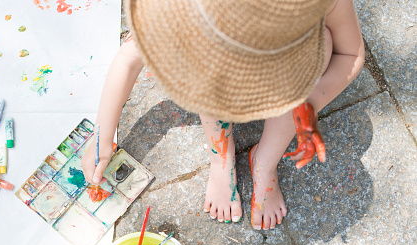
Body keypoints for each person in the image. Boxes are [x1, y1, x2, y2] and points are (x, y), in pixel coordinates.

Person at [82, 0, 365, 230]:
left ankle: (265, 161)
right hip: (215, 63)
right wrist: (102, 136)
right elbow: (128, 59)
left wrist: (305, 104)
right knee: (203, 74)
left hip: (293, 68)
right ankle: (221, 158)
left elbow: (349, 55)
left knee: (323, 45)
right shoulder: (177, 12)